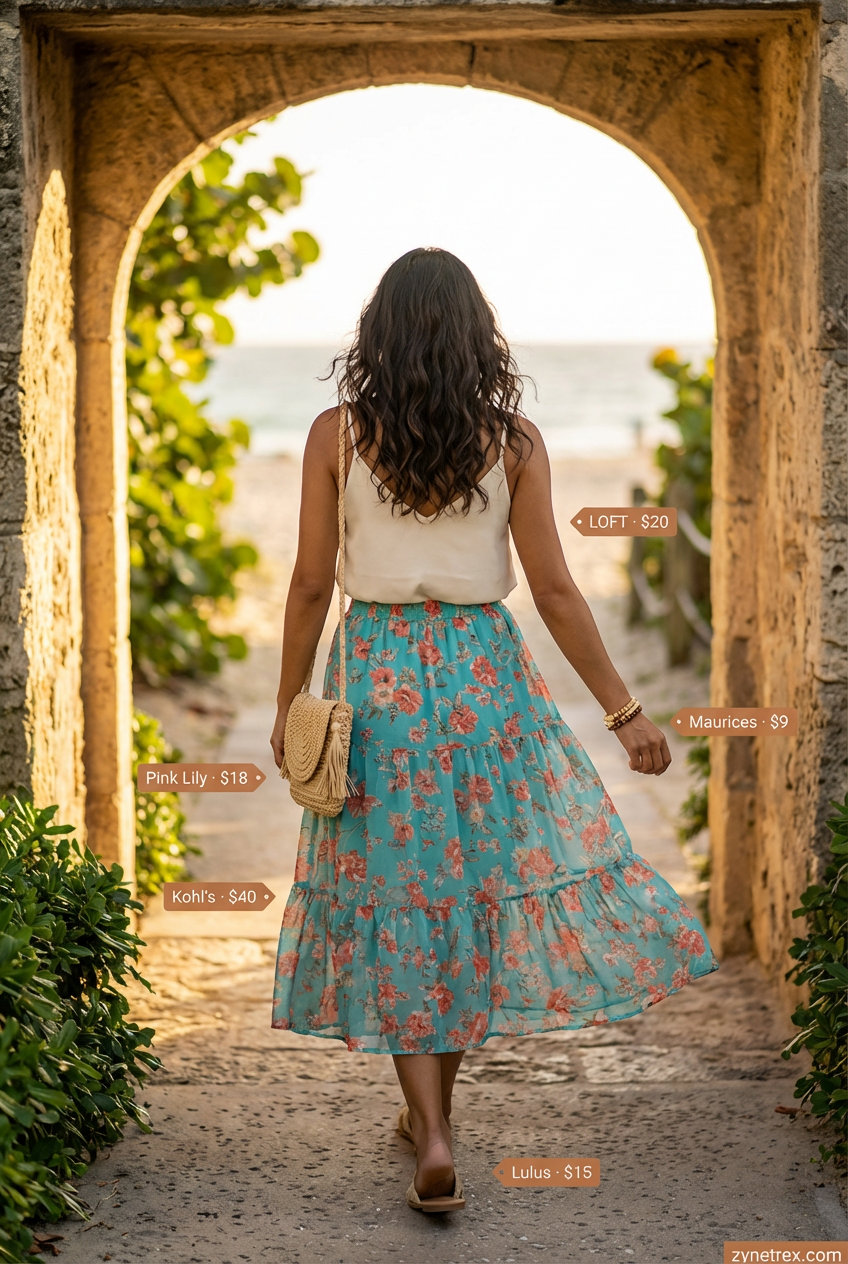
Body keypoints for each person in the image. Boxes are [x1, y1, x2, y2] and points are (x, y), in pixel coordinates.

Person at [269, 246, 720, 1215]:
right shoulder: (510, 442)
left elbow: (309, 582)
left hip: (376, 675)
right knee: (465, 892)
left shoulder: (333, 437)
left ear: (375, 336)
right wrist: (621, 709)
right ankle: (435, 1117)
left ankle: (426, 1125)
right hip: (480, 677)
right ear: (479, 337)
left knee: (397, 896)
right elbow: (553, 589)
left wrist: (286, 700)